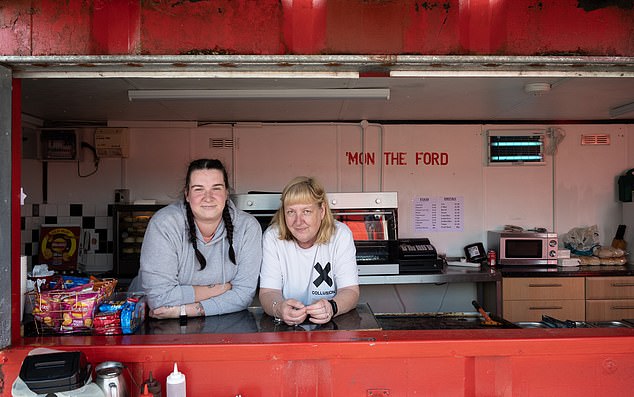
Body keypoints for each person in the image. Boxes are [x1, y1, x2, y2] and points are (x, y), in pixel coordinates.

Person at [129, 159, 262, 319]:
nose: (208, 197)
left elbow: (243, 295)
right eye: (199, 189)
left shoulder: (247, 227)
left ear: (227, 193)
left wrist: (183, 310)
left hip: (213, 320)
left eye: (216, 188)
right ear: (187, 194)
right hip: (154, 319)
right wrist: (220, 289)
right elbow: (159, 299)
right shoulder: (164, 224)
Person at [259, 176, 359, 326]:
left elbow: (350, 291)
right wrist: (280, 309)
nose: (298, 221)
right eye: (291, 212)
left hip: (331, 327)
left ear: (322, 211)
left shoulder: (340, 235)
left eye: (306, 211)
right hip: (286, 329)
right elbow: (267, 293)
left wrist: (331, 307)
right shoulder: (273, 237)